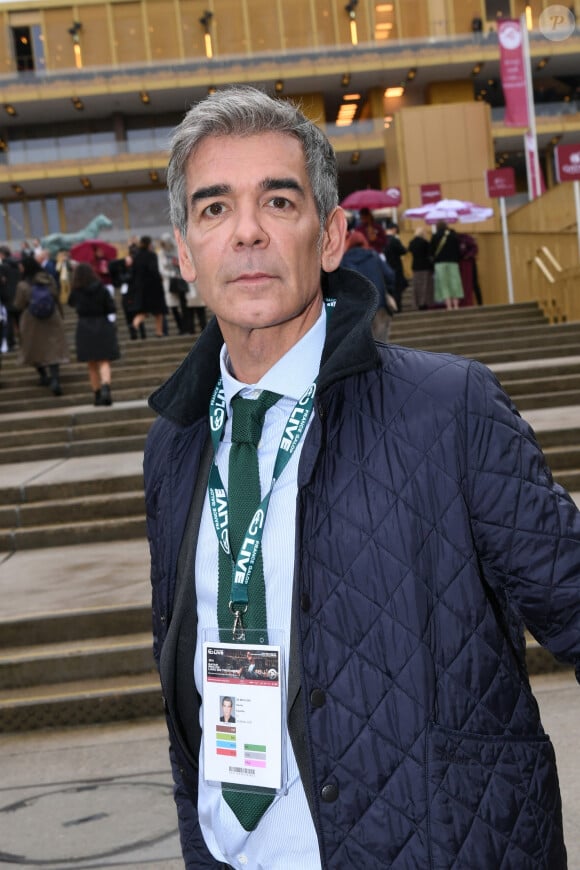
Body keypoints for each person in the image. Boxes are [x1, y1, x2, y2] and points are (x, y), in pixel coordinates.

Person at [144, 86, 579, 869]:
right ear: (184, 252)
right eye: (214, 209)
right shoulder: (173, 446)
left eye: (277, 201)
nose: (245, 232)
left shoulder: (448, 408)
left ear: (332, 234)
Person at [13, 255, 68, 396]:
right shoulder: (49, 279)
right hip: (52, 318)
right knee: (54, 350)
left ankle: (44, 376)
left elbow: (18, 305)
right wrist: (61, 316)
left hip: (31, 322)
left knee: (33, 349)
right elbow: (57, 297)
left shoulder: (23, 285)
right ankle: (55, 379)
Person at [68, 262, 120, 406]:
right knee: (104, 361)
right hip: (102, 325)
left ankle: (97, 395)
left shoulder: (76, 291)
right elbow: (111, 307)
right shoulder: (101, 288)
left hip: (85, 327)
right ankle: (106, 389)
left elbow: (70, 303)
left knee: (91, 364)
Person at [341, 229, 396, 342]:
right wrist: (388, 290)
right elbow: (390, 275)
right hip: (379, 305)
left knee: (363, 347)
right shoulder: (374, 256)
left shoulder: (344, 261)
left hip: (357, 310)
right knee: (381, 345)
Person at [131, 235, 167, 338]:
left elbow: (133, 272)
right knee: (159, 311)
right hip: (153, 287)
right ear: (149, 244)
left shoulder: (136, 256)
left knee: (143, 312)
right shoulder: (152, 255)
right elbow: (154, 270)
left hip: (141, 288)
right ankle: (159, 332)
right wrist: (160, 278)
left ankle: (134, 325)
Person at [430, 219, 464, 310]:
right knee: (455, 283)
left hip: (440, 263)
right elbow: (458, 249)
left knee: (444, 284)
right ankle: (456, 305)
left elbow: (431, 251)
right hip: (453, 262)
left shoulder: (435, 236)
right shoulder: (453, 236)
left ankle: (449, 306)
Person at [407, 225, 434, 310]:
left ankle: (417, 303)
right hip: (425, 267)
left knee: (416, 287)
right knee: (425, 286)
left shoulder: (412, 243)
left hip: (415, 267)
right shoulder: (425, 243)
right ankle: (424, 303)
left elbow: (410, 251)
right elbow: (430, 254)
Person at [383, 222, 408, 311]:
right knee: (398, 288)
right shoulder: (394, 240)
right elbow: (403, 250)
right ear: (394, 229)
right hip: (396, 267)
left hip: (385, 268)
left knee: (389, 289)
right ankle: (398, 306)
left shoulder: (382, 240)